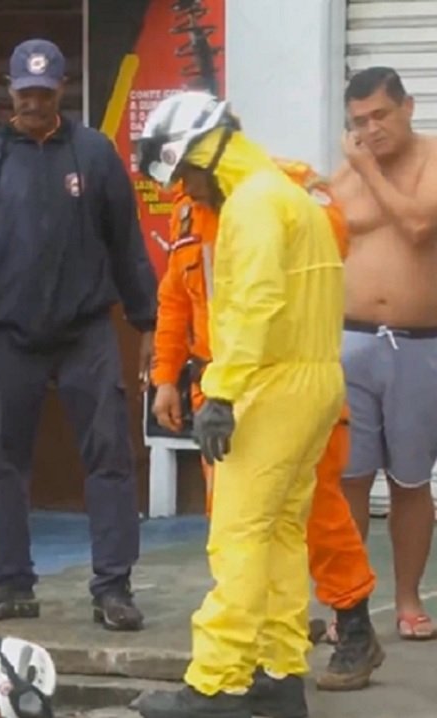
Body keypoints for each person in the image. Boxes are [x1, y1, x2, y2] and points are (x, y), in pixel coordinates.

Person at [133, 91, 346, 718]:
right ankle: (280, 673)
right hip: (314, 380)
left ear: (203, 151)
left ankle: (218, 681)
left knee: (240, 533)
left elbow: (251, 306)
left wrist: (220, 393)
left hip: (270, 385)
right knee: (281, 529)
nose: (189, 192)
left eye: (186, 176)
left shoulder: (252, 206)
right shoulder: (287, 195)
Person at [0, 37, 158, 630]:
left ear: (62, 89)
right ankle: (9, 584)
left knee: (109, 456)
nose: (33, 102)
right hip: (10, 333)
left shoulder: (94, 154)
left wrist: (148, 324)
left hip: (87, 330)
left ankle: (113, 588)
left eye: (44, 92)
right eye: (24, 93)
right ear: (10, 92)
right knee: (2, 462)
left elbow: (127, 243)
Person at [150, 158, 384, 691]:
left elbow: (333, 244)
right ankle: (266, 649)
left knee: (317, 512)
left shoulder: (286, 192)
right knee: (237, 527)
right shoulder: (188, 210)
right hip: (222, 388)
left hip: (286, 380)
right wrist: (165, 376)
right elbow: (175, 296)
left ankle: (353, 626)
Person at [331, 66, 437, 641]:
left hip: (419, 344)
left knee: (410, 480)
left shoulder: (432, 159)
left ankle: (408, 598)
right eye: (358, 122)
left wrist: (366, 168)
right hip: (350, 343)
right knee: (348, 477)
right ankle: (351, 606)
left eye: (379, 116)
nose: (370, 130)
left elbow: (420, 224)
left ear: (408, 107)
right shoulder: (343, 178)